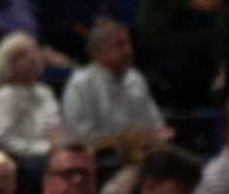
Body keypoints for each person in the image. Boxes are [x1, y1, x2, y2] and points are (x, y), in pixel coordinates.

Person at [61, 19, 172, 160]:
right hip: (99, 162)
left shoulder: (135, 78)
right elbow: (79, 139)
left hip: (142, 157)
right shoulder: (81, 83)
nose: (129, 50)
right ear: (98, 52)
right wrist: (124, 141)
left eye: (128, 43)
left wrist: (149, 138)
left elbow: (157, 127)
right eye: (120, 45)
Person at [0, 33, 63, 166]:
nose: (32, 59)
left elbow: (54, 127)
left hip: (52, 153)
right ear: (7, 63)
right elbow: (3, 140)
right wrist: (44, 149)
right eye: (21, 56)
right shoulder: (5, 95)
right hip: (24, 160)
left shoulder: (44, 91)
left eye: (33, 53)